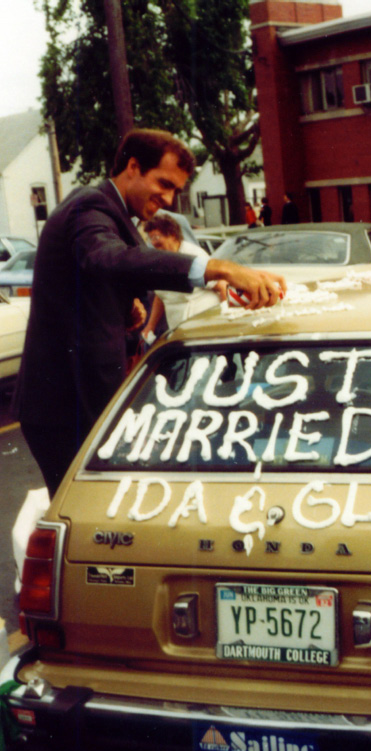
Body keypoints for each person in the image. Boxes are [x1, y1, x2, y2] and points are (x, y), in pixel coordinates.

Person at [14, 128, 286, 498]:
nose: (169, 198)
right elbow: (105, 257)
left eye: (176, 189)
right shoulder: (88, 206)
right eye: (163, 183)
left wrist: (126, 306)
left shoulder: (112, 214)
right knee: (85, 517)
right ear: (132, 166)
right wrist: (217, 268)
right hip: (65, 405)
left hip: (85, 397)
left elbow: (94, 279)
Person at [139, 214, 211, 342]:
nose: (153, 243)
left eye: (156, 237)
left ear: (172, 235)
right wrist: (150, 326)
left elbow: (221, 285)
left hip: (202, 328)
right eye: (151, 238)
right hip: (178, 330)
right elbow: (161, 296)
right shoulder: (161, 258)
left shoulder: (194, 255)